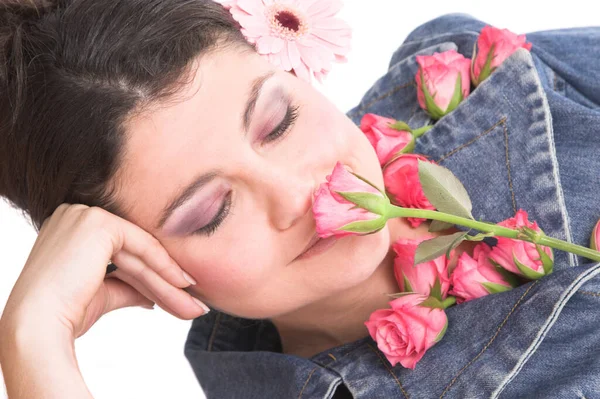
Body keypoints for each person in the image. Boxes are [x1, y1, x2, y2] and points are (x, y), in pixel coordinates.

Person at [0, 0, 598, 398]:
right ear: (131, 261)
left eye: (278, 122)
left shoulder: (476, 73)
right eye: (212, 212)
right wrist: (33, 342)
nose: (298, 195)